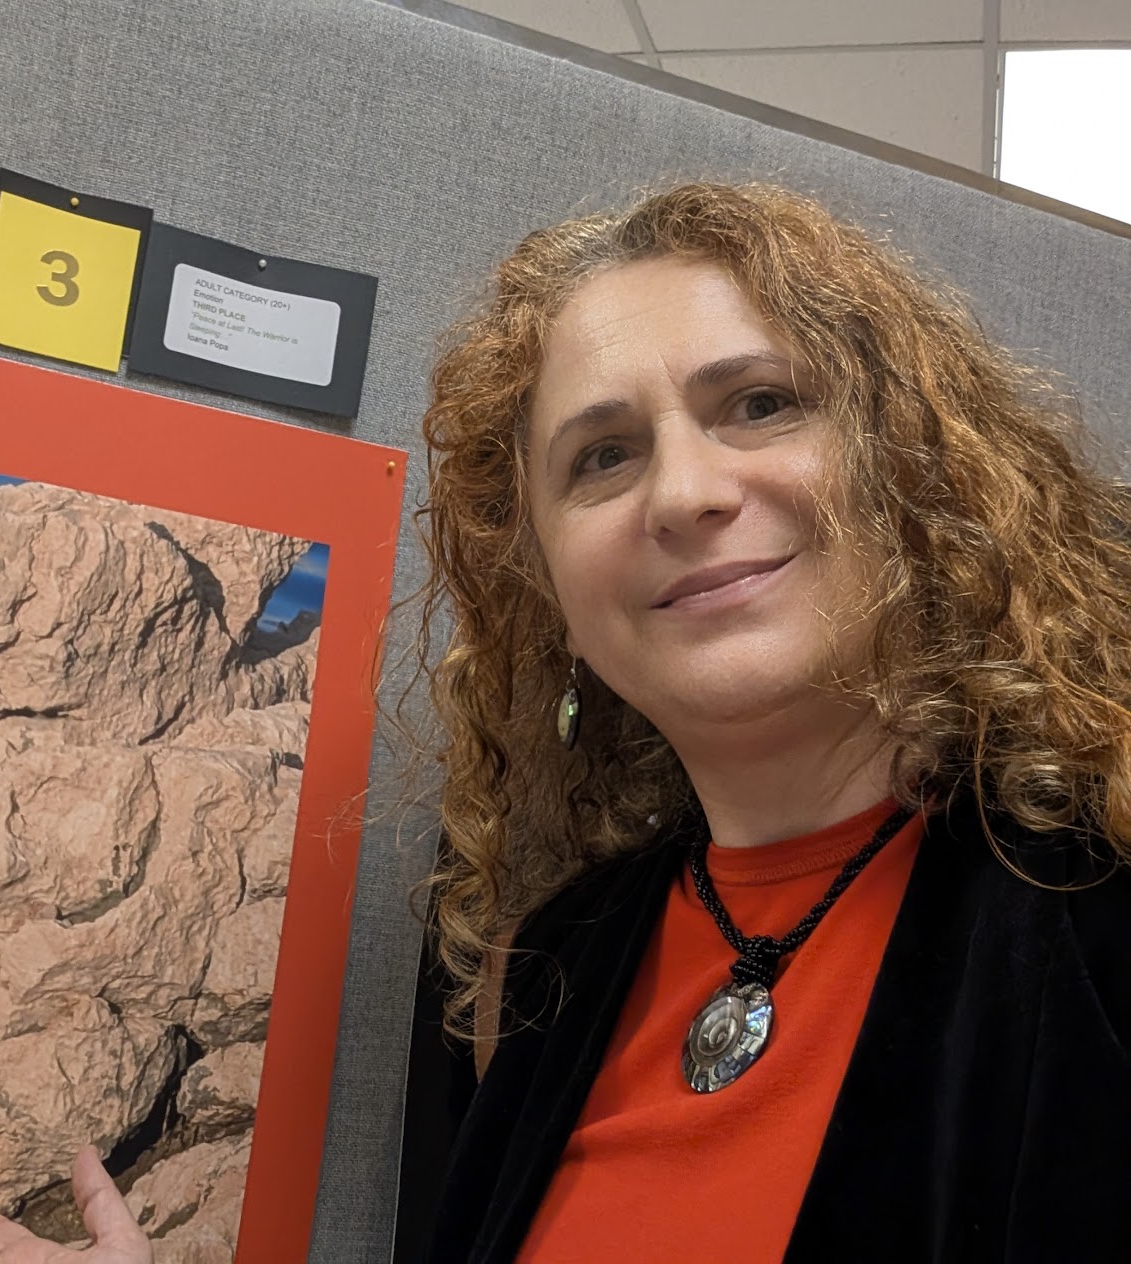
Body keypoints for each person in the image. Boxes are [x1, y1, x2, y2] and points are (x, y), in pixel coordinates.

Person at [400, 182, 1131, 1263]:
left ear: (907, 466)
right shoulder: (540, 973)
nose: (682, 493)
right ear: (544, 583)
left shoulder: (1099, 887)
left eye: (758, 404)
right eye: (602, 455)